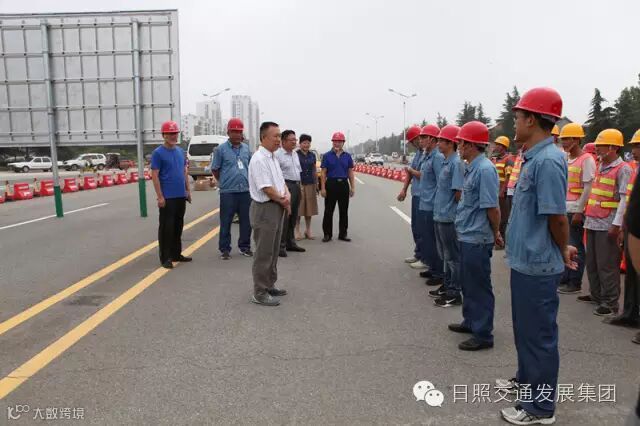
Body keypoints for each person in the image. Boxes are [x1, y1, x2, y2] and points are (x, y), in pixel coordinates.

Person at [498, 87, 577, 425]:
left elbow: (556, 217)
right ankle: (528, 385)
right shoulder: (532, 157)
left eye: (518, 117)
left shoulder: (548, 161)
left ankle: (540, 408)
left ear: (531, 120)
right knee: (526, 332)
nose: (514, 123)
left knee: (539, 337)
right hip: (525, 261)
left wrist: (563, 247)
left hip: (538, 265)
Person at [448, 121, 501, 352]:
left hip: (477, 238)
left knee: (479, 286)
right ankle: (470, 320)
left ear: (470, 145)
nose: (459, 147)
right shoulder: (472, 167)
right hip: (467, 235)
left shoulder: (485, 170)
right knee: (468, 283)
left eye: (461, 143)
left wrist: (496, 232)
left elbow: (492, 208)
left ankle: (483, 333)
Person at [581, 128, 633, 316]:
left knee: (607, 264)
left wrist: (616, 225)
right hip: (592, 220)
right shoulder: (599, 165)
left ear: (613, 147)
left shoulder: (623, 169)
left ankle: (610, 303)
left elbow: (624, 199)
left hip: (608, 223)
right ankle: (596, 295)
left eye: (601, 146)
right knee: (592, 262)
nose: (597, 149)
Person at [248, 122, 290, 306]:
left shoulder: (272, 157)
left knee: (273, 250)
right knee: (263, 252)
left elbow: (280, 182)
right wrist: (284, 200)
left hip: (277, 206)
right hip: (265, 209)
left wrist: (286, 195)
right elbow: (266, 188)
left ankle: (269, 284)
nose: (279, 139)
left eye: (280, 136)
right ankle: (259, 292)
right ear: (264, 137)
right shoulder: (259, 159)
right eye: (276, 136)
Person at [605, 129, 640, 329]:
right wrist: (622, 225)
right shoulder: (635, 169)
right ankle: (630, 313)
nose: (634, 150)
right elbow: (628, 200)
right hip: (632, 227)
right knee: (632, 274)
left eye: (638, 146)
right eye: (634, 145)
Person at [557, 123, 596, 294]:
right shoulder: (565, 158)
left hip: (575, 210)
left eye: (567, 139)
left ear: (577, 140)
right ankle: (565, 277)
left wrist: (579, 211)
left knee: (576, 246)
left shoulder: (587, 159)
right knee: (565, 244)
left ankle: (575, 281)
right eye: (563, 139)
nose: (564, 142)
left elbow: (588, 188)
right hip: (564, 207)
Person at [150, 121, 193, 269]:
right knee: (166, 228)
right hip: (167, 197)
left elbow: (184, 172)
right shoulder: (158, 153)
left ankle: (176, 254)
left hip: (180, 195)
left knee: (178, 226)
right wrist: (160, 196)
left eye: (175, 133)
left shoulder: (180, 151)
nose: (173, 136)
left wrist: (187, 190)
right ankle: (165, 257)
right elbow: (155, 175)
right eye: (170, 134)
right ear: (164, 135)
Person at [210, 118, 253, 260]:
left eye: (239, 132)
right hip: (228, 192)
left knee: (246, 221)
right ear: (228, 132)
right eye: (234, 131)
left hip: (245, 191)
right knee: (226, 221)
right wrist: (224, 181)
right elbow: (215, 169)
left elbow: (250, 167)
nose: (237, 134)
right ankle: (224, 249)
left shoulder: (246, 149)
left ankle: (245, 247)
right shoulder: (220, 150)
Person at [431, 125, 464, 307]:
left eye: (441, 141)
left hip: (449, 217)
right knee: (445, 255)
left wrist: (454, 212)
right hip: (440, 215)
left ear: (451, 143)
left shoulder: (456, 163)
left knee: (452, 257)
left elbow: (458, 193)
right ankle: (447, 285)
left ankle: (454, 292)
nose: (438, 144)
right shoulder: (445, 162)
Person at [417, 125, 445, 285]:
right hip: (425, 203)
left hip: (433, 205)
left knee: (435, 242)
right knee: (428, 239)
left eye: (423, 137)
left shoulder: (437, 158)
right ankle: (433, 267)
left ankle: (439, 272)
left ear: (432, 139)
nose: (420, 140)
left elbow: (441, 183)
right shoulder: (427, 156)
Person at [397, 125, 428, 268]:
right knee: (416, 226)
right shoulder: (418, 154)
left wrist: (410, 170)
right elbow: (410, 173)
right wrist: (404, 189)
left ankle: (426, 258)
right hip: (416, 194)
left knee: (424, 229)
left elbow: (425, 176)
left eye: (416, 141)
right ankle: (419, 253)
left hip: (425, 196)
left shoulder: (429, 154)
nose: (416, 144)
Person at [320, 131, 355, 242]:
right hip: (331, 184)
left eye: (340, 141)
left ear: (343, 143)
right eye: (335, 141)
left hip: (343, 184)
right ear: (332, 142)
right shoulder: (327, 156)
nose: (337, 143)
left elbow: (350, 172)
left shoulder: (347, 156)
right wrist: (323, 188)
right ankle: (327, 234)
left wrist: (352, 187)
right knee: (328, 211)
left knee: (344, 211)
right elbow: (323, 173)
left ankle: (343, 234)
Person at [275, 130, 305, 256]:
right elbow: (276, 175)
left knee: (293, 216)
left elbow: (298, 172)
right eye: (291, 140)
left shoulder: (295, 154)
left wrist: (300, 187)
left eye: (295, 139)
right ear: (283, 141)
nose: (294, 142)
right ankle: (280, 246)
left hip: (296, 186)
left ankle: (290, 243)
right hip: (286, 186)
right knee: (285, 217)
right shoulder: (277, 155)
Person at [491, 136, 515, 246]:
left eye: (498, 145)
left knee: (503, 218)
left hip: (503, 194)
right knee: (495, 217)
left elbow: (508, 177)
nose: (495, 147)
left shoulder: (508, 159)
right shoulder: (494, 159)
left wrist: (502, 191)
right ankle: (496, 239)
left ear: (503, 147)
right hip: (494, 192)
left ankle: (503, 241)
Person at [295, 134, 319, 240]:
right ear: (300, 144)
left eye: (308, 143)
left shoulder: (312, 155)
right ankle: (297, 231)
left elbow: (314, 170)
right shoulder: (295, 155)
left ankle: (308, 230)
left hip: (310, 183)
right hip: (299, 184)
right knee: (299, 209)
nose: (306, 145)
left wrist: (316, 183)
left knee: (309, 208)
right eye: (304, 143)